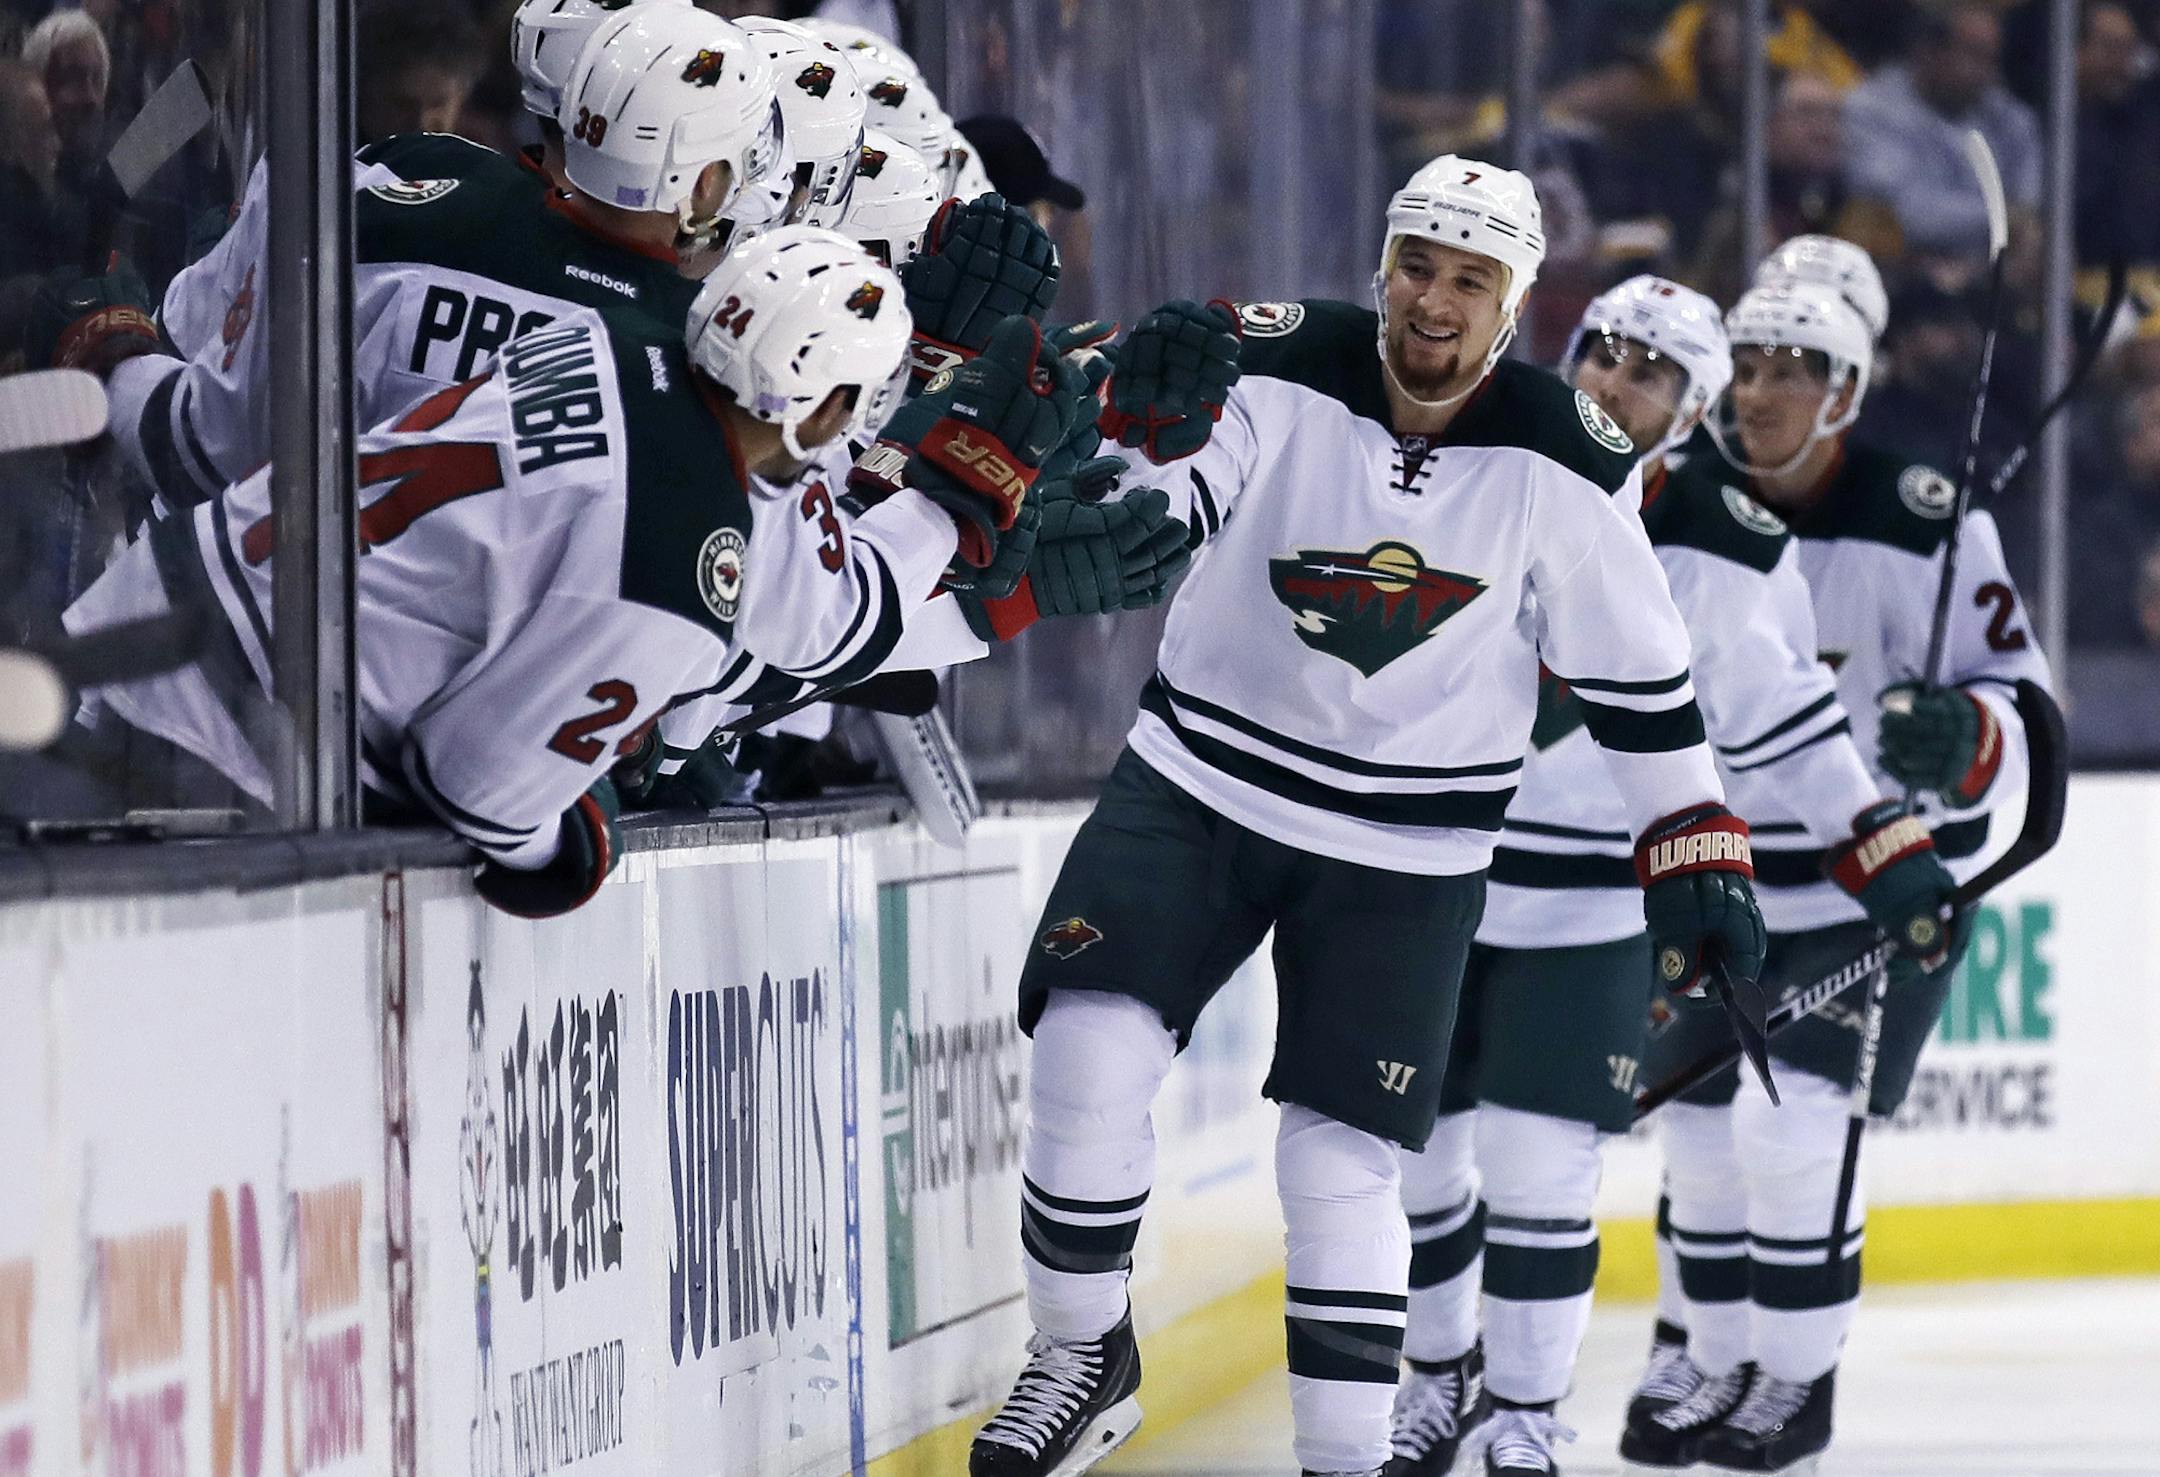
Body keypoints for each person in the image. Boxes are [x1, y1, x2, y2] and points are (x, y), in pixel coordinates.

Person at [967, 156, 1772, 1477]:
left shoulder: (1571, 457)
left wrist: (1696, 855)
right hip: (1199, 781)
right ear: (1380, 267)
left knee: (1338, 1162)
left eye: (1469, 279)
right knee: (1088, 1048)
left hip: (1408, 848)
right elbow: (1181, 486)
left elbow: (1644, 690)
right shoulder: (1274, 355)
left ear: (1512, 306)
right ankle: (1080, 1351)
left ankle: (1343, 1461)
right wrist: (1129, 508)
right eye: (1416, 266)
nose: (1434, 303)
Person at [56, 225, 1090, 913]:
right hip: (205, 747)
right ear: (818, 410)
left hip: (144, 606)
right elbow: (482, 792)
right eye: (855, 406)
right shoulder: (670, 573)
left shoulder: (602, 338)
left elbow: (789, 567)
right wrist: (573, 845)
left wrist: (937, 518)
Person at [1386, 277, 1957, 1477]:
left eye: (1651, 371)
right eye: (1602, 352)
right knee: (1419, 1161)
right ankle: (1437, 1375)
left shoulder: (1727, 546)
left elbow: (1788, 727)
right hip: (1417, 872)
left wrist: (1887, 851)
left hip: (1591, 898)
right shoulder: (1451, 458)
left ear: (1690, 411)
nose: (1613, 379)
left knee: (1542, 1165)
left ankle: (1526, 1417)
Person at [1623, 281, 2054, 1475]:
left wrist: (1969, 736)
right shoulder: (1661, 504)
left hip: (1872, 886)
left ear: (1848, 393)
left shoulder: (1931, 520)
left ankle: (1794, 1390)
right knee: (1703, 1143)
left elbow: (2026, 699)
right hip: (1714, 883)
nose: (1757, 393)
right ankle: (1710, 1359)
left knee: (1798, 1132)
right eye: (1744, 368)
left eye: (1789, 370)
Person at [55, 4, 785, 511]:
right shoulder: (702, 362)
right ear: (708, 179)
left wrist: (115, 362)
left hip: (267, 650)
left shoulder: (384, 197)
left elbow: (205, 445)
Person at [1843, 5, 2042, 280]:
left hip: (1992, 277)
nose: (1986, 72)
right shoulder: (1872, 109)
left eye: (1991, 59)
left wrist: (2021, 225)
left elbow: (2030, 207)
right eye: (1974, 55)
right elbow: (1903, 214)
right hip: (1904, 277)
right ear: (1928, 51)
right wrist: (2003, 218)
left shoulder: (2004, 114)